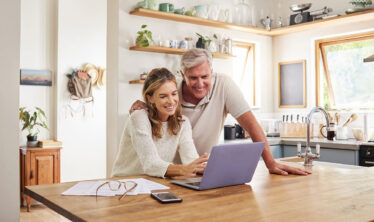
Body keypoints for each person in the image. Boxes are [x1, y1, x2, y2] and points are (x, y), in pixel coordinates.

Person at [130, 49, 311, 176]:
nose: (200, 84)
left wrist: (270, 163)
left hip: (194, 171)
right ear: (182, 75)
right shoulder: (172, 91)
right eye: (193, 78)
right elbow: (154, 101)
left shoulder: (223, 85)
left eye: (205, 77)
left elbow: (252, 125)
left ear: (212, 72)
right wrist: (146, 105)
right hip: (161, 171)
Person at [112, 68, 208, 178]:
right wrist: (183, 169)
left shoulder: (183, 123)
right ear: (150, 98)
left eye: (174, 94)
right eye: (163, 96)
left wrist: (205, 167)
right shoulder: (139, 118)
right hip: (124, 184)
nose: (171, 101)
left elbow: (191, 159)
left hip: (156, 183)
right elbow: (151, 164)